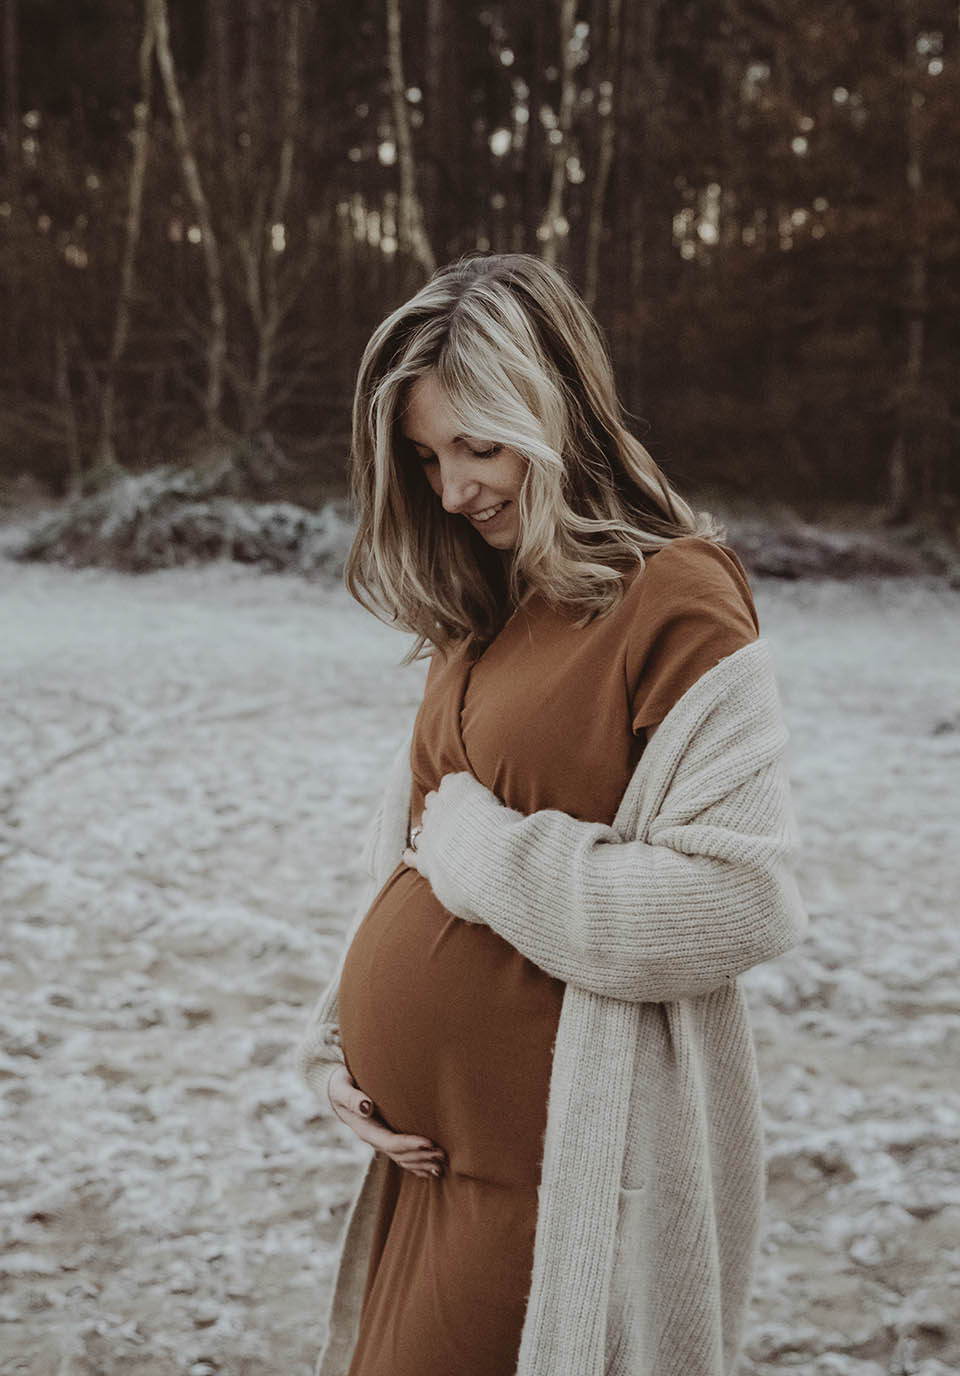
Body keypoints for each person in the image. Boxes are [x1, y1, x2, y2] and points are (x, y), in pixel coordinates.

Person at [297, 252, 807, 1376]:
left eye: (479, 445)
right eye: (428, 456)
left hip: (564, 1178)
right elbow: (410, 854)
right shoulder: (482, 605)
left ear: (558, 408)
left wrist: (495, 854)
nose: (453, 487)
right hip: (428, 1168)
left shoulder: (679, 592)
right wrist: (341, 1039)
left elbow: (741, 897)